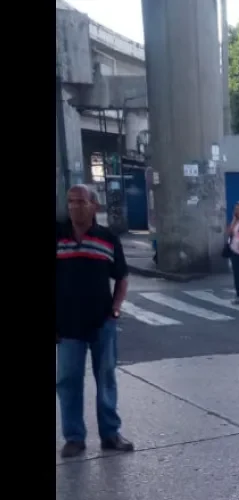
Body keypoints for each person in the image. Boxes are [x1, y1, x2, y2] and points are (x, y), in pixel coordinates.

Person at [56, 184, 134, 458]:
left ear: (94, 206)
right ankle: (74, 437)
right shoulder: (59, 234)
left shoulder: (107, 239)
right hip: (66, 325)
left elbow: (121, 277)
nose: (74, 206)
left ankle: (110, 434)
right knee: (68, 380)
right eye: (70, 202)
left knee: (106, 378)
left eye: (80, 202)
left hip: (102, 323)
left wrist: (114, 310)